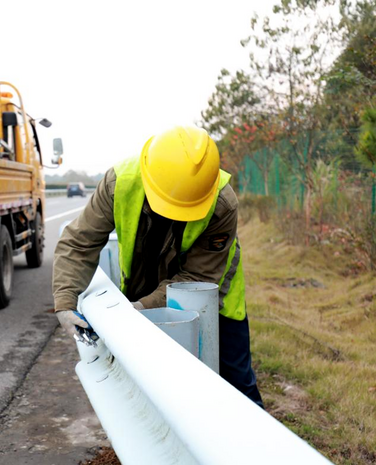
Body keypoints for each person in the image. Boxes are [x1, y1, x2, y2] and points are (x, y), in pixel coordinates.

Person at [52, 125, 263, 407]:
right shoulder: (120, 184)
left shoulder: (221, 203)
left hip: (212, 293)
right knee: (159, 377)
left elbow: (199, 275)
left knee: (236, 382)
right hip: (143, 287)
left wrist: (140, 308)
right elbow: (80, 242)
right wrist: (65, 301)